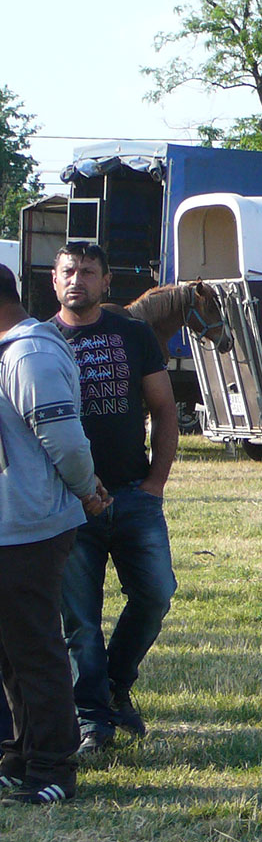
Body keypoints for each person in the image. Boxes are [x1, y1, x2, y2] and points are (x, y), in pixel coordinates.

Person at [51, 242, 178, 754]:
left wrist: (155, 483)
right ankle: (93, 721)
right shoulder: (40, 342)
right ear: (54, 282)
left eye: (87, 271)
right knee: (79, 620)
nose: (76, 279)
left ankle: (115, 685)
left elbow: (165, 410)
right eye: (68, 272)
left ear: (106, 282)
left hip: (132, 495)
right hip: (69, 504)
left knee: (156, 595)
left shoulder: (133, 333)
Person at [0, 263, 111, 804]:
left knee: (36, 648)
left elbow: (64, 441)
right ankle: (22, 755)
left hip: (30, 528)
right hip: (11, 525)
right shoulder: (16, 350)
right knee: (11, 650)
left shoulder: (30, 355)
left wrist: (87, 488)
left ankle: (53, 769)